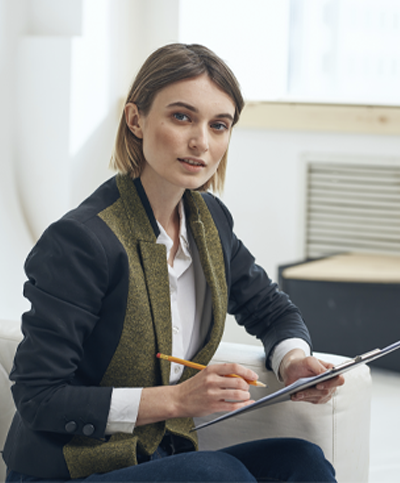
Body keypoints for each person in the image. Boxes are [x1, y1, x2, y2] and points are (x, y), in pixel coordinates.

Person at [3, 43, 344, 482]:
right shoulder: (82, 240)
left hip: (157, 460)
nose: (201, 142)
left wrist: (294, 362)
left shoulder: (209, 222)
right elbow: (38, 397)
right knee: (216, 474)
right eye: (182, 117)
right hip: (70, 470)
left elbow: (271, 310)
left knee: (302, 462)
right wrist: (179, 400)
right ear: (136, 119)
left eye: (218, 125)